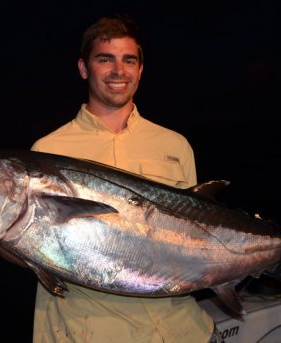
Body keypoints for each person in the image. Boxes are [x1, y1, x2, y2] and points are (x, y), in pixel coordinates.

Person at [31, 16, 216, 343]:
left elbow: (197, 238)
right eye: (105, 60)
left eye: (128, 60)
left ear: (140, 69)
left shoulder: (175, 146)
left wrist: (267, 256)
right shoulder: (48, 151)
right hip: (88, 332)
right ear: (84, 68)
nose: (119, 71)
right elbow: (28, 239)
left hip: (179, 330)